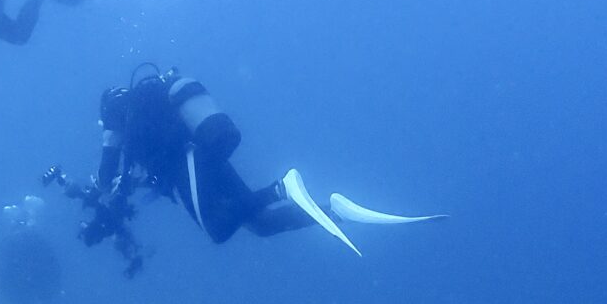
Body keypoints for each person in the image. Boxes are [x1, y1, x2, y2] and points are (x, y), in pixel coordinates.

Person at [48, 65, 444, 272]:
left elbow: (105, 175)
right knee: (259, 224)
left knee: (219, 231)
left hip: (187, 159)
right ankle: (332, 208)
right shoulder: (147, 106)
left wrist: (103, 182)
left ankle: (281, 188)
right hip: (203, 153)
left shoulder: (117, 118)